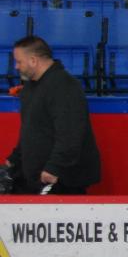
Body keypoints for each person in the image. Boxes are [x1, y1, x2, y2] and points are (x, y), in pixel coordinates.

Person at [2, 36, 100, 196]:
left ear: (33, 60)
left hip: (60, 179)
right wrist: (14, 159)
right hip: (35, 176)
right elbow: (31, 131)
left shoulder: (65, 86)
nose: (16, 67)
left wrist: (54, 168)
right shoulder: (29, 89)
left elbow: (71, 134)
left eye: (19, 62)